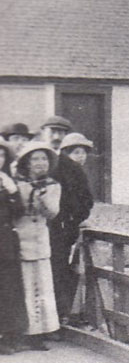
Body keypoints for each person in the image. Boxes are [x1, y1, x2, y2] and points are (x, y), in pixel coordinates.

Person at [40, 117, 93, 325]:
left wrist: (70, 221)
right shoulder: (29, 160)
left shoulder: (72, 167)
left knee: (57, 274)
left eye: (61, 133)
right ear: (43, 132)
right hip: (28, 232)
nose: (55, 136)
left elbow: (85, 200)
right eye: (52, 131)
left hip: (59, 233)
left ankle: (54, 324)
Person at [12, 141, 62, 350]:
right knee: (23, 288)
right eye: (35, 159)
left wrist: (42, 199)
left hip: (40, 241)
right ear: (26, 163)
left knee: (42, 289)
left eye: (44, 158)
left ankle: (39, 333)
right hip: (20, 240)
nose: (40, 163)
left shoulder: (52, 186)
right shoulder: (16, 184)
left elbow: (53, 213)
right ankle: (21, 332)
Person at [0, 140, 27, 354]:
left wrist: (12, 192)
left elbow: (19, 211)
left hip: (5, 241)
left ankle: (7, 337)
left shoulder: (7, 181)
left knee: (8, 289)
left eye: (1, 156)